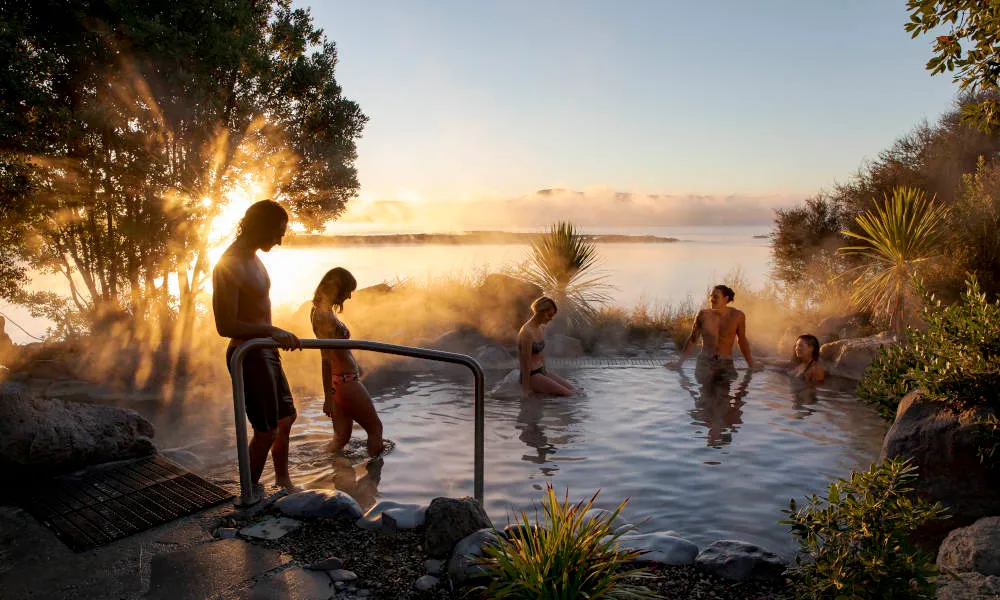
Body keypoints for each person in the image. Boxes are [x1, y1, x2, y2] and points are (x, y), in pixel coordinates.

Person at [212, 199, 302, 494]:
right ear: (260, 226)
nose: (279, 241)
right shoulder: (230, 263)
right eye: (277, 233)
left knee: (286, 418)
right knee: (266, 431)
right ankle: (248, 495)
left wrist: (271, 335)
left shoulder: (252, 257)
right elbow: (225, 325)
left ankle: (283, 482)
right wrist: (271, 330)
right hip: (248, 355)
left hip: (265, 349)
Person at [310, 267, 384, 458]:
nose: (349, 296)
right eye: (348, 291)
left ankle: (318, 463)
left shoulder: (321, 311)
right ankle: (375, 473)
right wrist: (328, 397)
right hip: (346, 382)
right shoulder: (323, 316)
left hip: (340, 382)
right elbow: (325, 358)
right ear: (338, 288)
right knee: (376, 429)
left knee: (341, 438)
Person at [665, 284, 758, 376]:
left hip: (725, 362)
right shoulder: (703, 315)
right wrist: (679, 363)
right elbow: (693, 340)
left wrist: (751, 364)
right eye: (711, 296)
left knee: (727, 382)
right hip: (705, 362)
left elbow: (742, 341)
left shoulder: (737, 316)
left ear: (725, 299)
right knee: (705, 383)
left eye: (716, 297)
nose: (712, 299)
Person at [518, 296, 575, 396]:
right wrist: (525, 389)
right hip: (531, 375)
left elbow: (539, 354)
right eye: (549, 315)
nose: (551, 318)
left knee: (576, 390)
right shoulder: (527, 331)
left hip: (542, 371)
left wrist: (546, 373)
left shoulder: (541, 328)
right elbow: (525, 361)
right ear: (541, 312)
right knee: (570, 395)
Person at [760, 334, 825, 384]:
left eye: (800, 346)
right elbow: (775, 362)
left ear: (811, 348)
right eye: (796, 345)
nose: (796, 348)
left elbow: (815, 390)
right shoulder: (799, 363)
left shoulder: (815, 369)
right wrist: (760, 363)